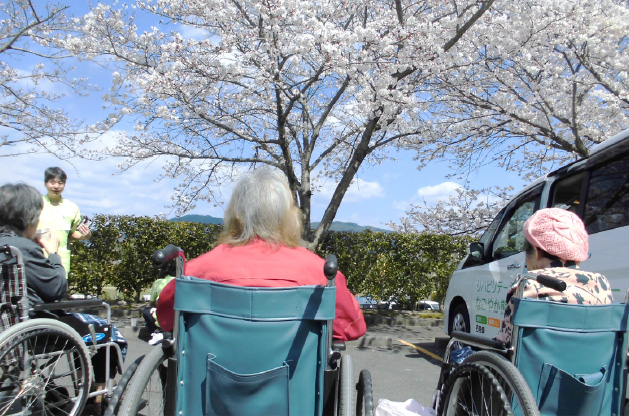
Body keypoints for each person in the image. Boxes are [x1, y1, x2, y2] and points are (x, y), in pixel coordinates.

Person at [157, 168, 367, 341]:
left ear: (235, 215)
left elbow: (166, 320)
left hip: (210, 385)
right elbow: (352, 327)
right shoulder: (321, 274)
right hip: (295, 387)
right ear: (289, 216)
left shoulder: (195, 272)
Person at [0, 183, 126, 397]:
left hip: (6, 326)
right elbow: (57, 289)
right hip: (35, 330)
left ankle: (77, 387)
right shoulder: (23, 248)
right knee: (104, 328)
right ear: (28, 216)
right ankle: (96, 392)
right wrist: (53, 253)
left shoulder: (7, 246)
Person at [495, 207, 614, 345]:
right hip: (594, 364)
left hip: (533, 366)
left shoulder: (528, 282)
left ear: (536, 251)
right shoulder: (601, 283)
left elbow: (505, 342)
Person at [37, 167, 91, 274]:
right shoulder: (36, 204)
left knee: (59, 290)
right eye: (52, 182)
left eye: (60, 183)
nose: (56, 186)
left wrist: (86, 235)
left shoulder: (72, 208)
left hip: (61, 262)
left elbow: (72, 234)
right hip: (38, 258)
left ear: (64, 184)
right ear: (45, 183)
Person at [143, 260, 175, 345]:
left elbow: (152, 302)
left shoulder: (158, 283)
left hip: (162, 318)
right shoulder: (180, 281)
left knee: (146, 311)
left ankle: (155, 332)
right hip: (177, 317)